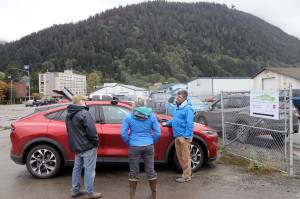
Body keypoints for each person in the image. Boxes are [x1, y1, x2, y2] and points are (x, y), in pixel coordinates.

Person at [66, 95, 103, 199]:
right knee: (89, 170)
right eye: (84, 100)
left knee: (77, 168)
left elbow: (69, 132)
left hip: (77, 147)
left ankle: (75, 190)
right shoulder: (84, 113)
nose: (85, 102)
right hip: (88, 146)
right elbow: (92, 132)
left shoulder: (69, 114)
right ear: (80, 101)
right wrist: (96, 143)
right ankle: (89, 193)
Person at [121, 107, 161, 199]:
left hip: (134, 146)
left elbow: (123, 134)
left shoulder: (128, 117)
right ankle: (154, 195)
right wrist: (151, 140)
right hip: (149, 145)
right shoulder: (151, 117)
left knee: (134, 171)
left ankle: (132, 196)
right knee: (150, 170)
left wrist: (130, 142)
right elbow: (158, 133)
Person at [163, 90, 194, 183]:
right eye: (177, 97)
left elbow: (190, 123)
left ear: (184, 98)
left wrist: (187, 136)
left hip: (183, 137)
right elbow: (175, 119)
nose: (177, 98)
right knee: (180, 156)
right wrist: (167, 123)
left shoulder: (188, 108)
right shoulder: (178, 107)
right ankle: (188, 173)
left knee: (185, 157)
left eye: (179, 97)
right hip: (177, 136)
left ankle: (186, 176)